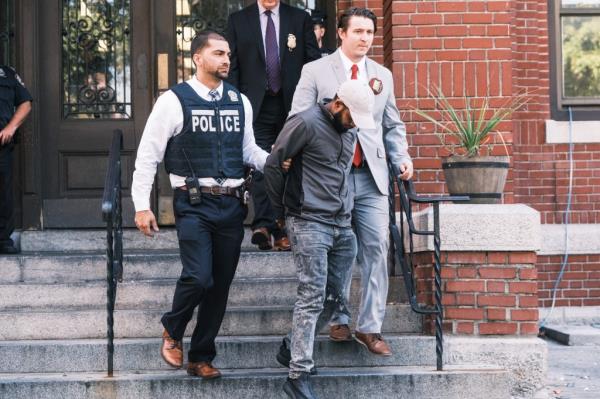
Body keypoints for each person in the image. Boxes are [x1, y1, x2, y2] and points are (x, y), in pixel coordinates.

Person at [131, 30, 268, 379]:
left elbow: (249, 152)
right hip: (193, 203)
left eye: (227, 55)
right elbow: (148, 155)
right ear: (198, 58)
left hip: (233, 205)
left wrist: (280, 160)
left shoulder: (240, 101)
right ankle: (172, 328)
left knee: (219, 286)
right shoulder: (174, 101)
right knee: (199, 276)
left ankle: (201, 356)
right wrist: (141, 205)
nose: (226, 60)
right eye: (218, 53)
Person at [289, 7, 414, 356]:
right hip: (330, 180)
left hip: (372, 177)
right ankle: (338, 316)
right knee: (339, 252)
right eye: (358, 31)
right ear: (341, 34)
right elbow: (298, 118)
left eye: (370, 32)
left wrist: (401, 156)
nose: (365, 38)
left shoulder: (382, 75)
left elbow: (392, 124)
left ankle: (370, 326)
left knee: (376, 248)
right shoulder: (315, 71)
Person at [265, 79, 376, 399]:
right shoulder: (305, 122)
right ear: (338, 105)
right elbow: (274, 164)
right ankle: (298, 375)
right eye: (352, 117)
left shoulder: (349, 129)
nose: (355, 124)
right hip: (308, 221)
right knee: (312, 295)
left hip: (342, 225)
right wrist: (281, 214)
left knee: (336, 299)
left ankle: (291, 344)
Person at [226, 0, 320, 251]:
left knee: (290, 164)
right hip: (255, 106)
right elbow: (232, 67)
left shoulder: (299, 18)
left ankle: (284, 227)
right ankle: (264, 225)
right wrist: (237, 103)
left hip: (294, 106)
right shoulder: (238, 20)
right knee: (261, 164)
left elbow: (312, 62)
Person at [0, 65, 32, 255]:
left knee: (4, 193)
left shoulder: (7, 73)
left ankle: (3, 239)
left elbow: (25, 102)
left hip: (2, 146)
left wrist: (11, 127)